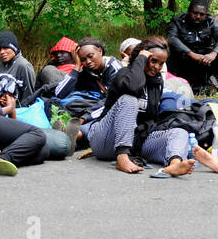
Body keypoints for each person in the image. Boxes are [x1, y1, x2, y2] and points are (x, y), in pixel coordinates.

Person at [80, 39, 205, 176]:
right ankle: (122, 158)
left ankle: (174, 164)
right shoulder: (123, 75)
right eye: (153, 61)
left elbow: (150, 119)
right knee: (129, 99)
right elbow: (133, 87)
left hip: (134, 142)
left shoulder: (156, 83)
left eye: (161, 63)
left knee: (179, 131)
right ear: (141, 57)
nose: (157, 67)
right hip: (104, 139)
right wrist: (141, 58)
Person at [166, 0, 218, 91]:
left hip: (205, 60)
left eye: (202, 14)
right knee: (168, 49)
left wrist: (213, 54)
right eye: (195, 13)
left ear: (206, 14)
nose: (198, 16)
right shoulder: (178, 21)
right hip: (184, 59)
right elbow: (171, 38)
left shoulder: (210, 21)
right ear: (188, 11)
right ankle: (167, 83)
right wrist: (191, 54)